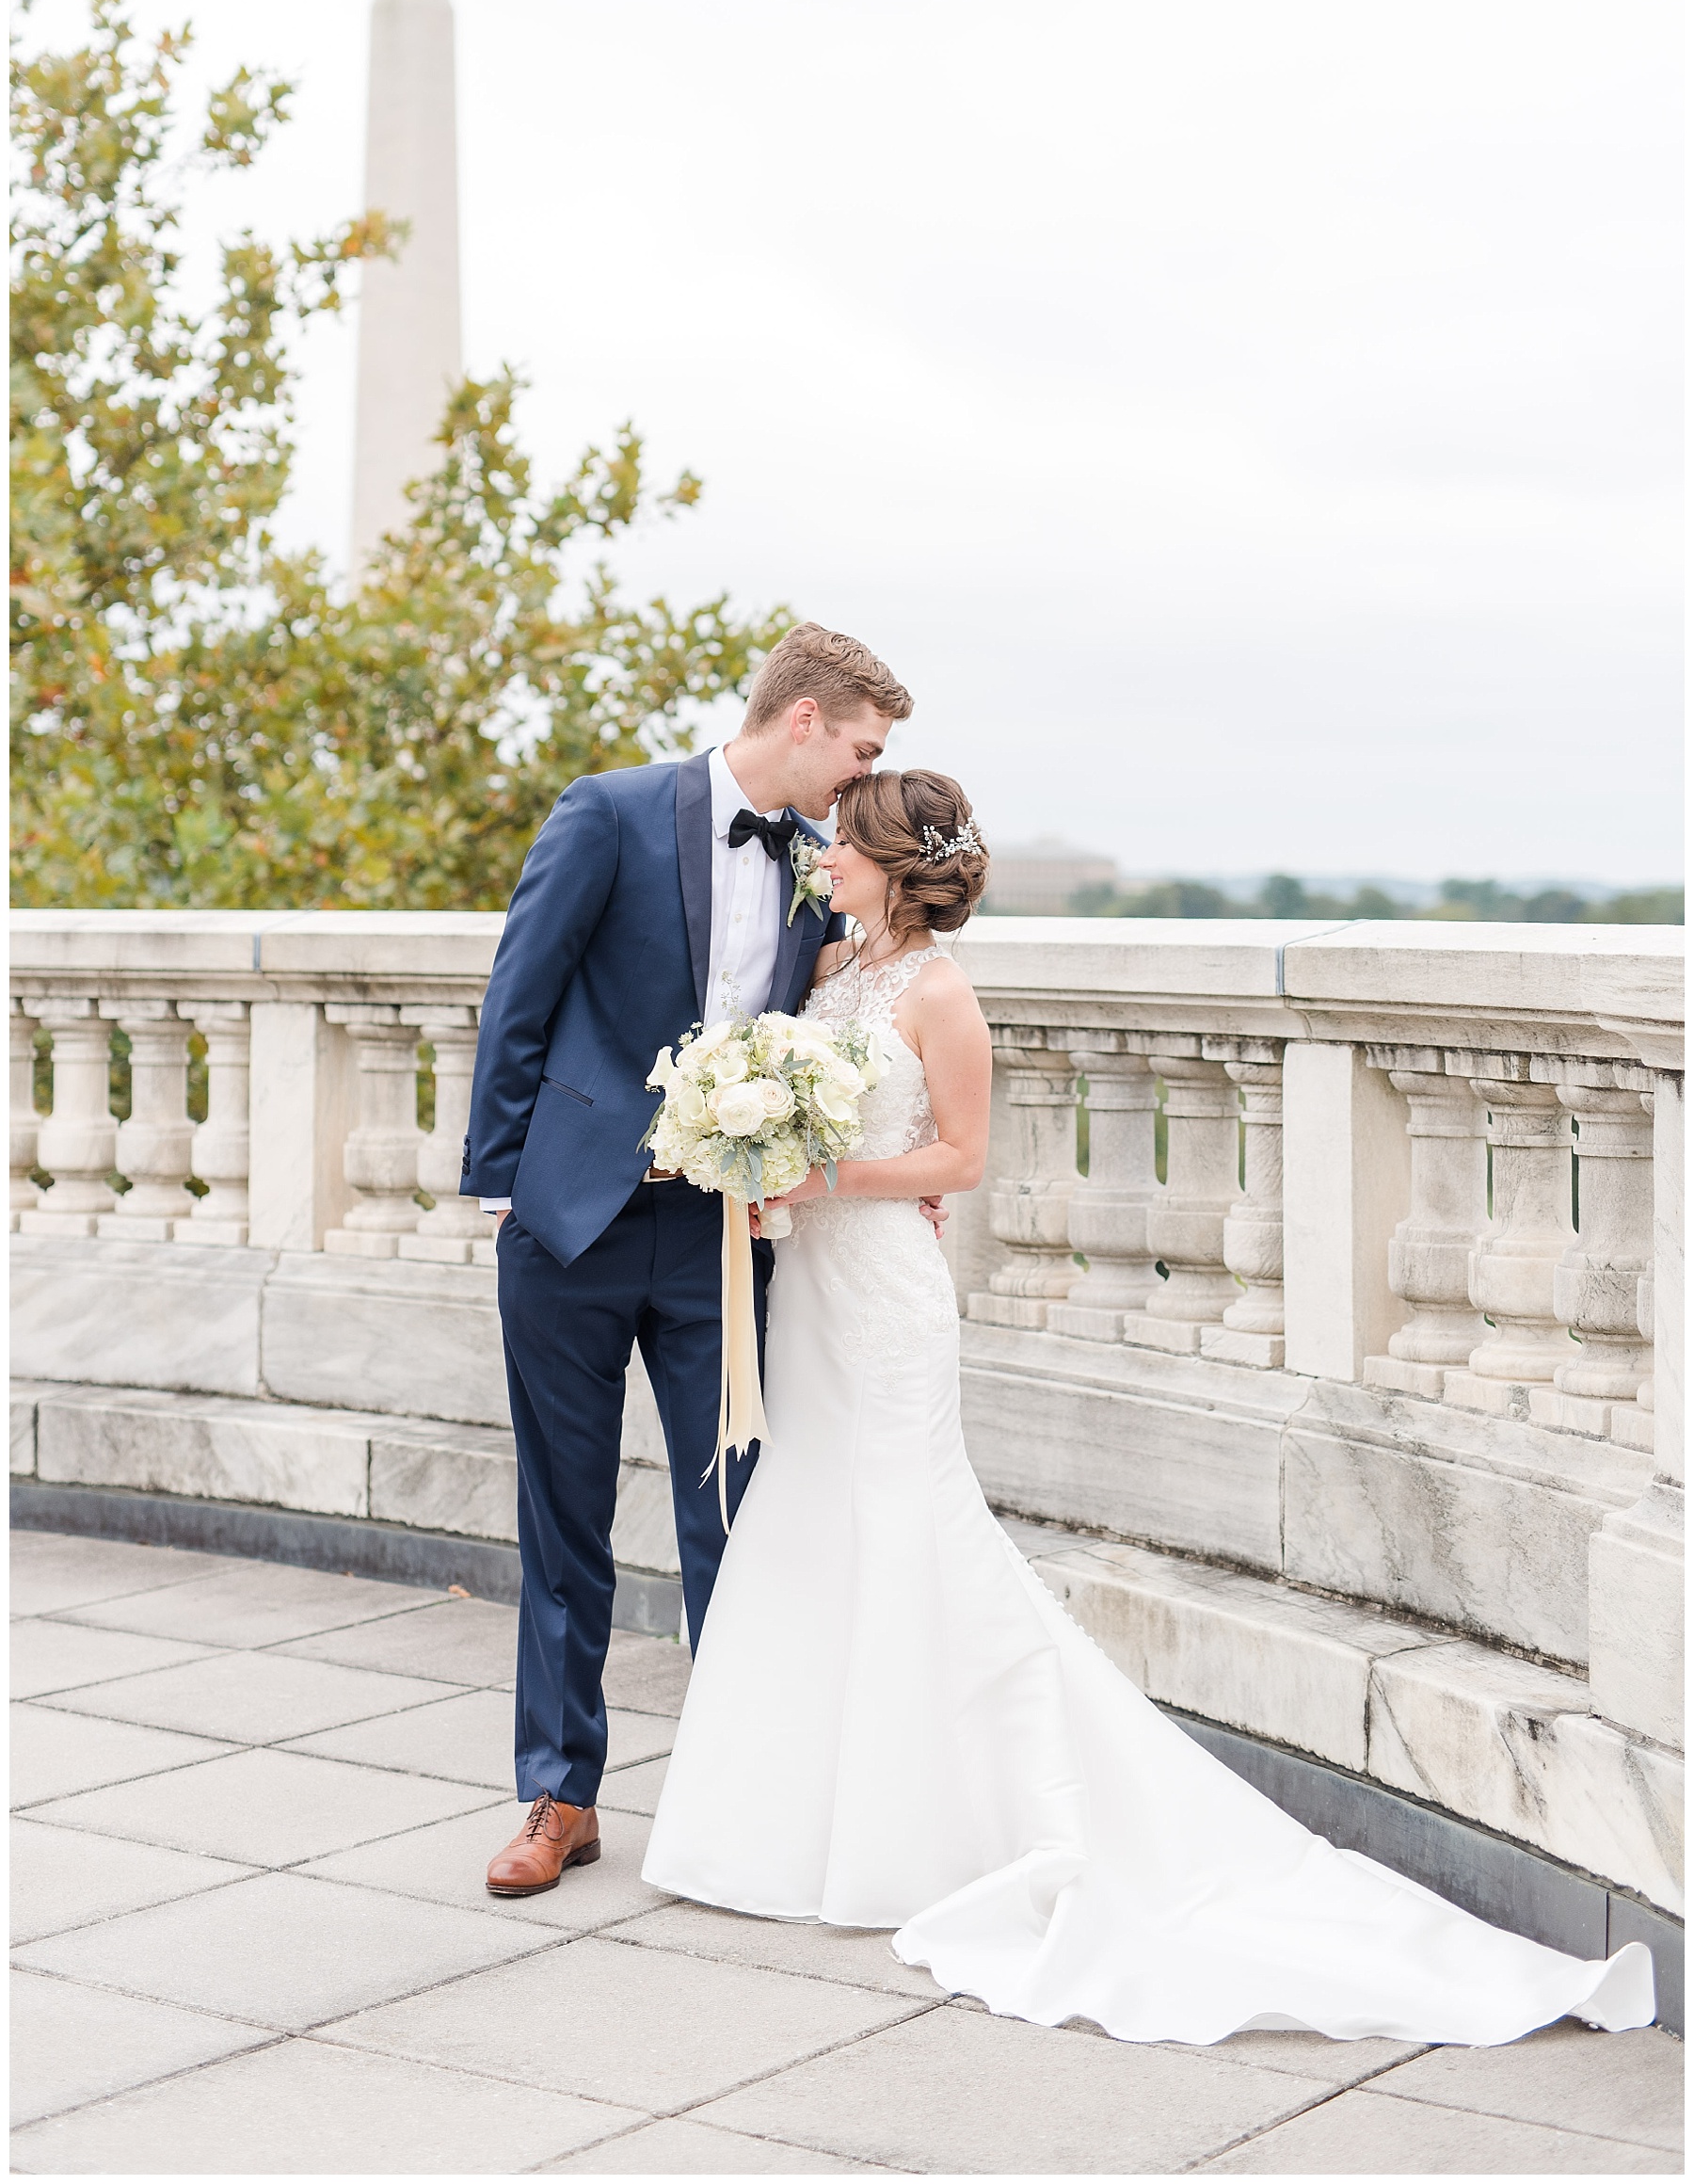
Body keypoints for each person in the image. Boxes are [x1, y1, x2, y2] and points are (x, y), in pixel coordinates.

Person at [640, 766, 1655, 2048]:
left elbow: (960, 1157)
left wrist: (820, 1165)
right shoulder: (830, 967)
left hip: (889, 1295)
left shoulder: (940, 994)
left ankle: (930, 1824)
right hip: (813, 1295)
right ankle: (786, 1819)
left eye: (841, 845)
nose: (822, 859)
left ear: (895, 864)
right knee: (808, 1518)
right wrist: (750, 1145)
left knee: (908, 1523)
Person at [461, 623, 916, 1898]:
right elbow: (520, 994)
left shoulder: (819, 868)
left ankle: (738, 1794)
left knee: (737, 1516)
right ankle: (559, 1796)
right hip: (571, 1224)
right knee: (567, 1520)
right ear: (808, 720)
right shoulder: (608, 813)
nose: (864, 777)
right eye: (863, 748)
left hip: (725, 1236)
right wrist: (504, 1183)